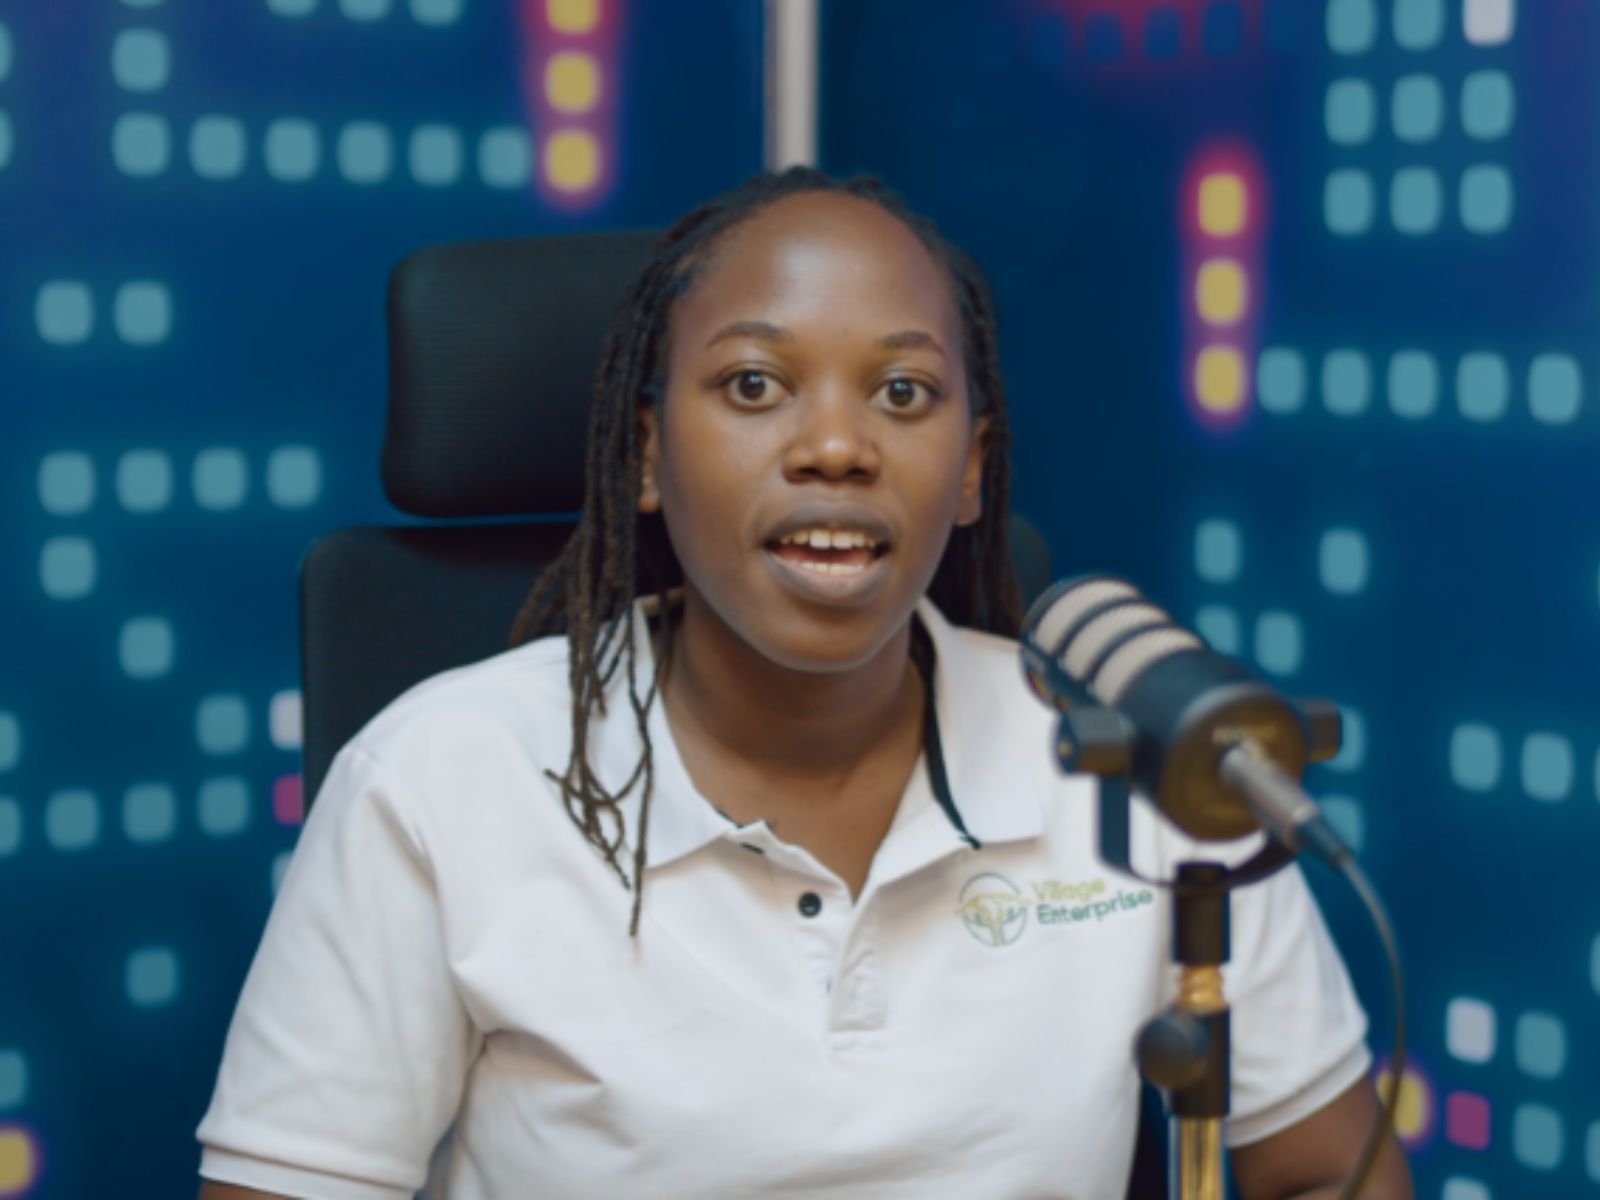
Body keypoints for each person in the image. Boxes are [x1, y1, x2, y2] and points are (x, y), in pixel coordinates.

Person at [196, 168, 1412, 1199]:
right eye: (754, 386)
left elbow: (1328, 1172)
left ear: (972, 471)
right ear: (646, 455)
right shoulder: (438, 781)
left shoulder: (1143, 761)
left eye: (902, 393)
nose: (836, 446)